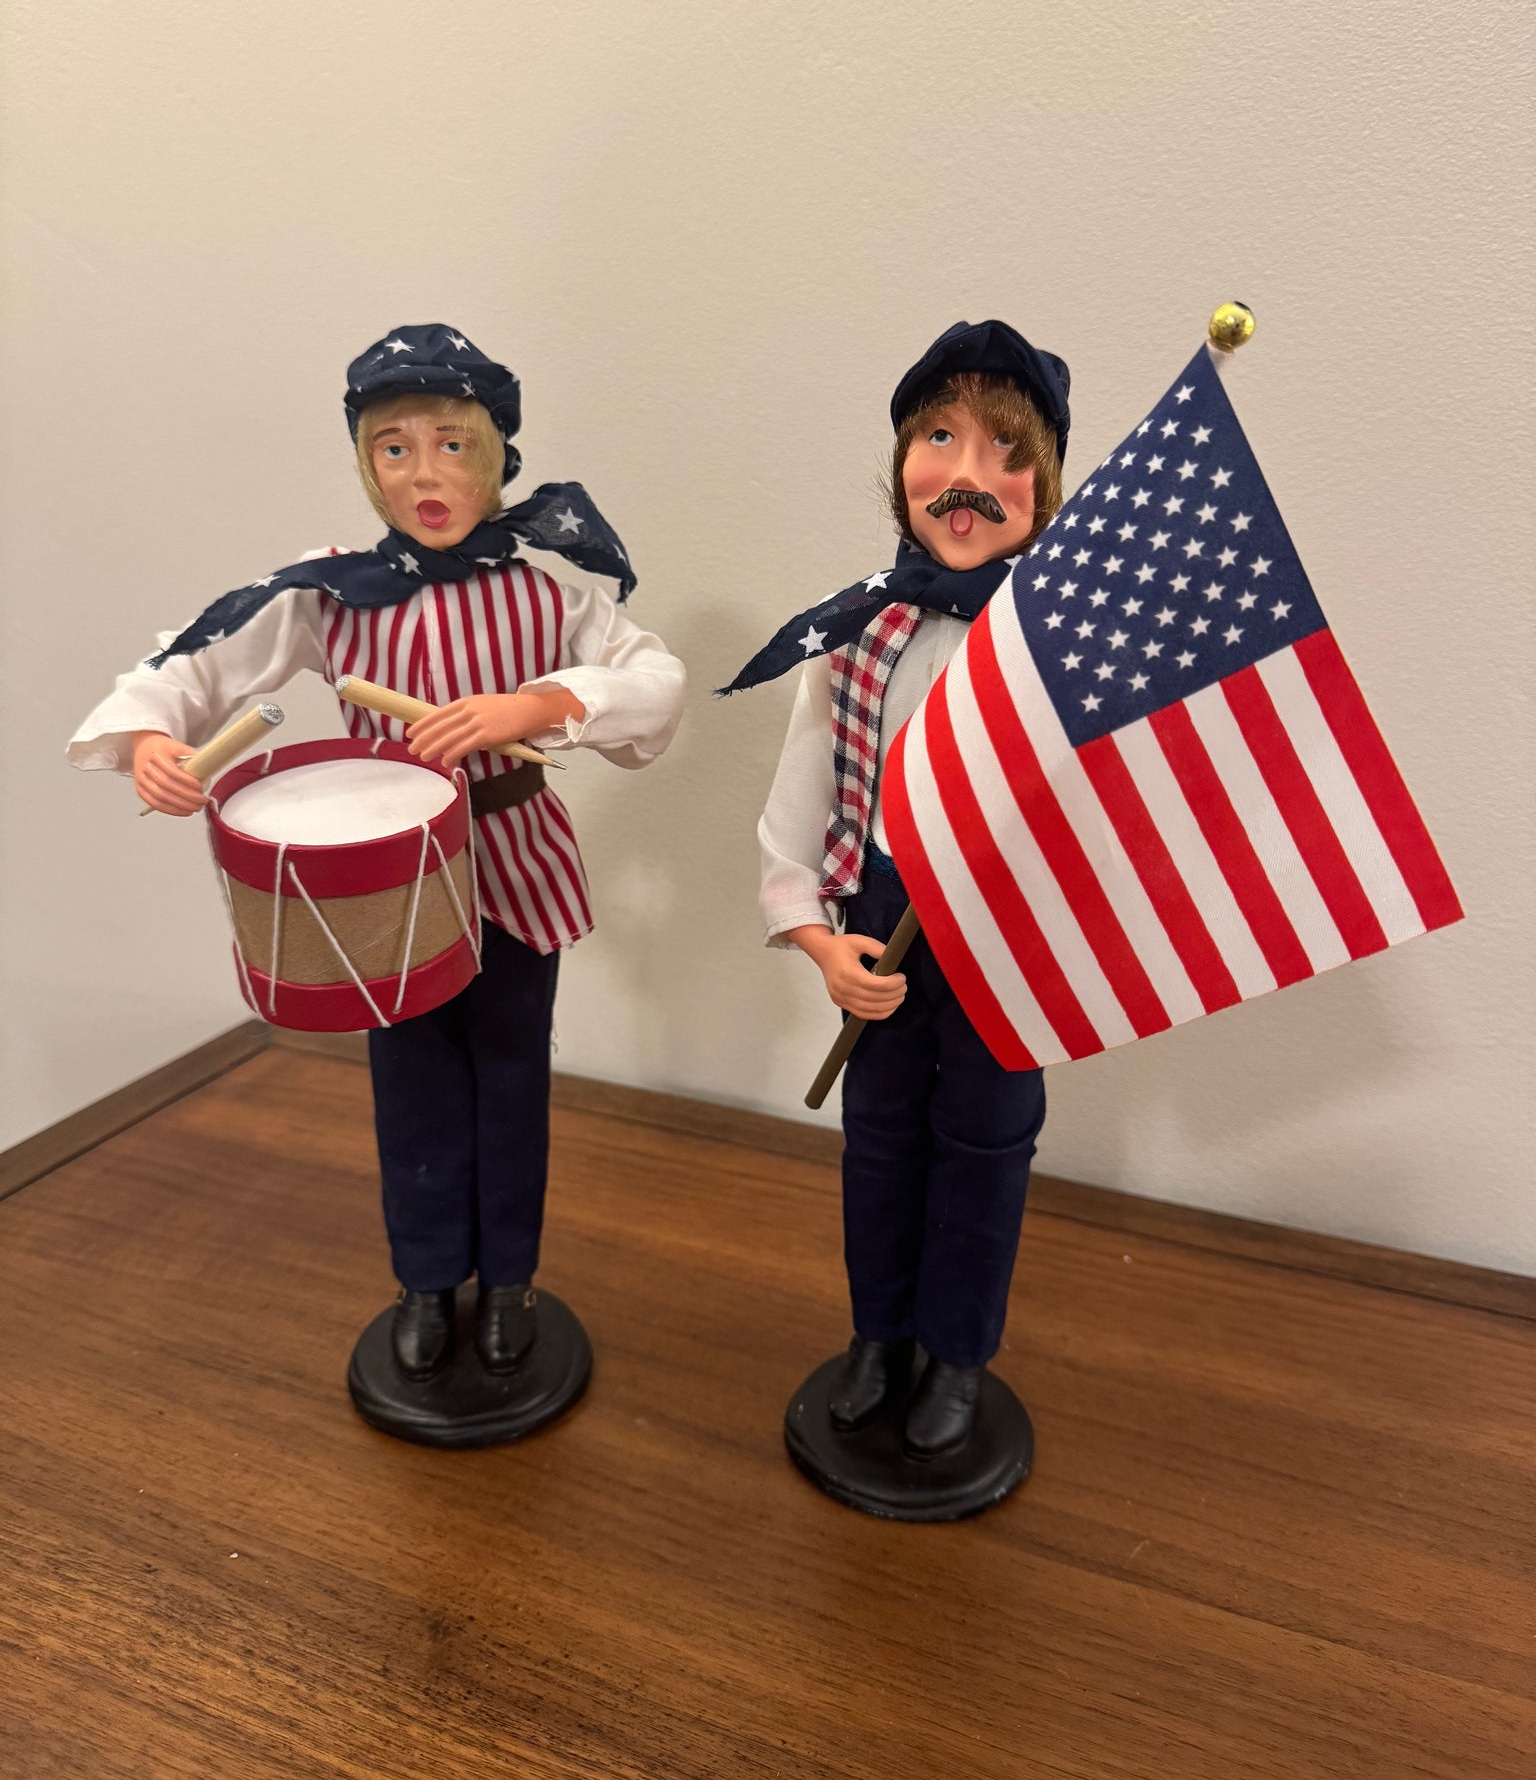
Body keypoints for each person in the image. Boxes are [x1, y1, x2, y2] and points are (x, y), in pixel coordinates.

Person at [69, 324, 685, 1386]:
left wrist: (539, 703)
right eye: (394, 449)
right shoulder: (332, 590)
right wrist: (153, 735)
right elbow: (196, 657)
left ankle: (510, 1283)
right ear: (366, 464)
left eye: (451, 444)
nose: (424, 473)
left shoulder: (549, 591)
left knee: (512, 1079)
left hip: (513, 860)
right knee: (410, 1085)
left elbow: (653, 681)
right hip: (386, 882)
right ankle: (426, 1280)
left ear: (495, 454)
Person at [724, 320, 1068, 1458]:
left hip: (1005, 930)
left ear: (1045, 483)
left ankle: (958, 1353)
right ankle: (879, 1334)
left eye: (1005, 450)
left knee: (986, 1142)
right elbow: (802, 791)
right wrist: (819, 939)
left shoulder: (1061, 643)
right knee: (878, 1137)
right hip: (883, 914)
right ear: (901, 462)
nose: (968, 474)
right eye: (940, 438)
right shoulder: (855, 630)